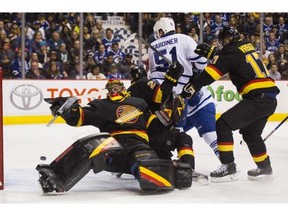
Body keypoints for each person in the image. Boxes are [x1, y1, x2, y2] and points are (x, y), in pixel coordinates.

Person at [36, 79, 192, 193]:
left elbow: (152, 126)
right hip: (112, 149)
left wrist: (170, 115)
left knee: (146, 160)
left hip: (138, 145)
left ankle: (178, 171)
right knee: (93, 143)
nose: (114, 89)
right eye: (110, 87)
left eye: (117, 86)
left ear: (124, 88)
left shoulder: (139, 103)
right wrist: (68, 110)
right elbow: (80, 117)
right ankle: (56, 175)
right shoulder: (101, 105)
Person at [181, 26, 280, 182]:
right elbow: (233, 58)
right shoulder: (247, 44)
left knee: (223, 124)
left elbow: (211, 74)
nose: (222, 43)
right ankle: (264, 167)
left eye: (223, 41)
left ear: (227, 39)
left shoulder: (229, 53)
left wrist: (193, 86)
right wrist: (215, 54)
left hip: (257, 99)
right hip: (269, 99)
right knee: (251, 134)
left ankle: (228, 166)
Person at [148, 17, 220, 160]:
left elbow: (155, 78)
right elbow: (201, 64)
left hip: (172, 101)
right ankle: (227, 163)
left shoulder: (153, 47)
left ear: (161, 30)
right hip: (193, 95)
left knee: (172, 134)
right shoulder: (184, 38)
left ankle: (169, 162)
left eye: (158, 31)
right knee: (209, 135)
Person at [126, 66, 208, 184]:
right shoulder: (143, 83)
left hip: (135, 139)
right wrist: (170, 79)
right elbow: (162, 96)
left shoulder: (128, 92)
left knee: (165, 163)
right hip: (151, 134)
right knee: (183, 138)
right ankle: (188, 168)